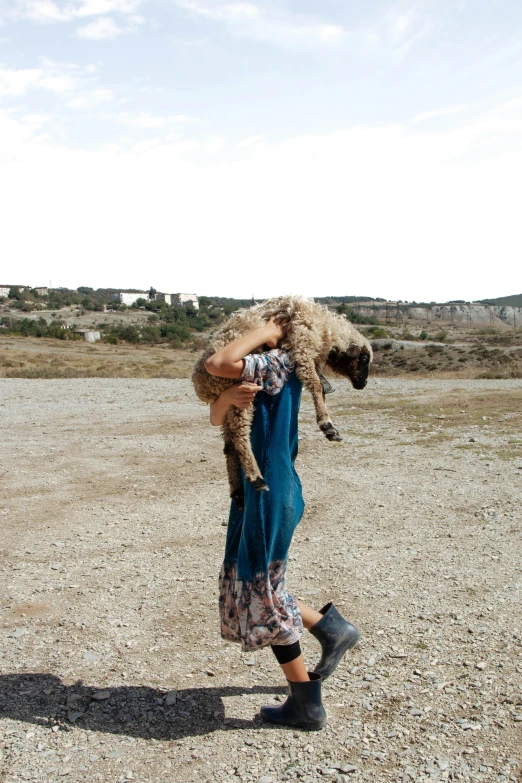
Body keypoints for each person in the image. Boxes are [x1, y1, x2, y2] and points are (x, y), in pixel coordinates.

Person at [204, 315, 360, 730]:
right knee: (261, 585)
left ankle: (306, 705)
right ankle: (331, 629)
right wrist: (228, 399)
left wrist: (267, 332)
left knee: (262, 594)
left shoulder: (277, 361)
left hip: (270, 494)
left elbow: (217, 362)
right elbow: (218, 417)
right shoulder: (268, 367)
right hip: (257, 494)